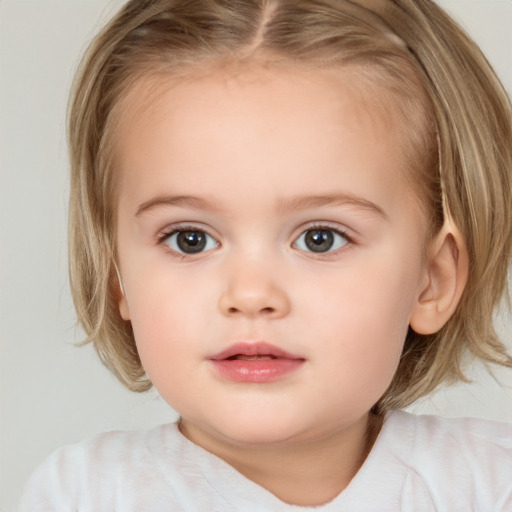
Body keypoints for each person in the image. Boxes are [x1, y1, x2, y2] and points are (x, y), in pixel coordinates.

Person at [19, 0, 512, 510]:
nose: (250, 294)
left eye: (321, 238)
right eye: (190, 239)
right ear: (118, 275)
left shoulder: (490, 485)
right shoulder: (86, 495)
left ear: (432, 280)